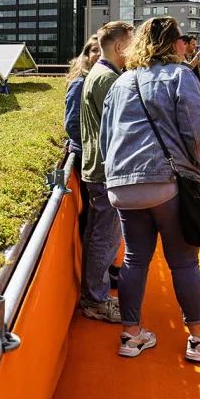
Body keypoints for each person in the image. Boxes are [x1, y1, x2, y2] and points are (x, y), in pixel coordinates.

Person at [101, 18, 200, 361]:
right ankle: (198, 339)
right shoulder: (181, 76)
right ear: (173, 44)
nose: (188, 45)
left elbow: (108, 136)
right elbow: (196, 128)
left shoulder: (121, 82)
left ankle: (131, 335)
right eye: (184, 40)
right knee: (183, 262)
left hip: (123, 185)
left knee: (135, 259)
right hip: (166, 182)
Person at [78, 20, 134, 322]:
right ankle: (96, 301)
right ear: (120, 46)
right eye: (133, 43)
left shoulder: (99, 74)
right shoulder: (108, 79)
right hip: (106, 170)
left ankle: (94, 296)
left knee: (99, 235)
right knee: (105, 238)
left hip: (98, 167)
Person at [64, 35, 101, 247]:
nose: (97, 55)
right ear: (86, 56)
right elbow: (71, 124)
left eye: (100, 50)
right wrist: (93, 147)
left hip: (95, 156)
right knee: (92, 210)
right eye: (93, 50)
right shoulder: (80, 83)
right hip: (86, 156)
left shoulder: (99, 80)